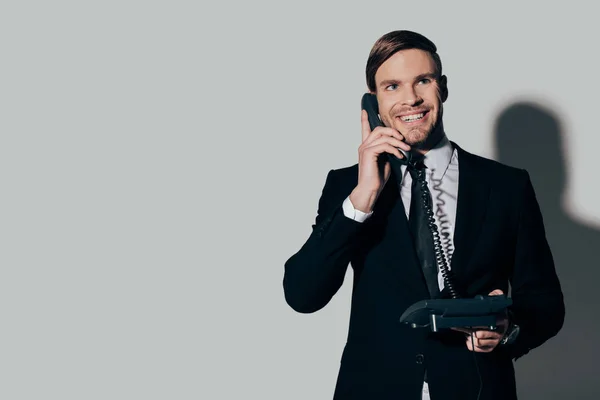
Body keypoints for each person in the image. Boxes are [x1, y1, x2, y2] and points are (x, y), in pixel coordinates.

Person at [282, 30, 565, 400]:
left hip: (475, 387)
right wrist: (363, 196)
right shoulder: (347, 186)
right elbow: (303, 295)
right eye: (392, 86)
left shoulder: (506, 186)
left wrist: (506, 327)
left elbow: (545, 302)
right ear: (374, 102)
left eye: (423, 81)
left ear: (442, 88)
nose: (410, 98)